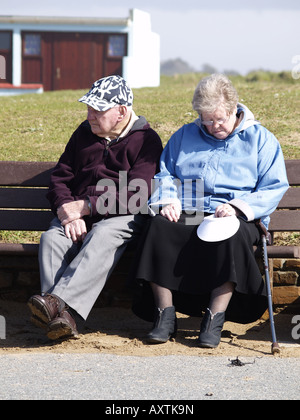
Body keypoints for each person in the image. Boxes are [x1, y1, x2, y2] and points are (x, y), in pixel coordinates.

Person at [132, 74, 289, 349]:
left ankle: (215, 317)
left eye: (219, 119)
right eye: (207, 119)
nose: (213, 126)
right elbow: (165, 173)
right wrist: (168, 200)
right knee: (158, 226)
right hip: (190, 209)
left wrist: (238, 207)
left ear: (234, 109)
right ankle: (164, 316)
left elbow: (274, 186)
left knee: (231, 235)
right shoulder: (184, 135)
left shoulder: (261, 139)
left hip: (234, 213)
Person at [27, 75, 163, 341]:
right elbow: (60, 178)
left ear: (122, 111)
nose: (89, 115)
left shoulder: (147, 141)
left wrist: (88, 206)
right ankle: (59, 319)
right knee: (53, 238)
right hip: (78, 213)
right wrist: (66, 210)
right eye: (89, 108)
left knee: (102, 236)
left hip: (121, 216)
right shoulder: (83, 133)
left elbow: (137, 193)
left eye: (97, 110)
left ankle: (55, 306)